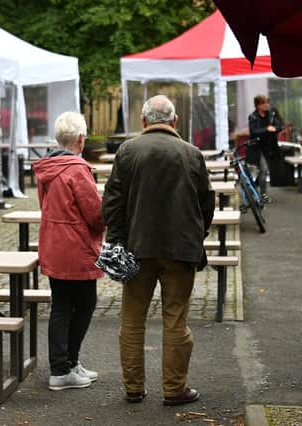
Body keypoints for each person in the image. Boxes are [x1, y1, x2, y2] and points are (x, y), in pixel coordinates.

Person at [102, 95, 215, 406]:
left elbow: (111, 204)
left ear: (143, 122)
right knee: (176, 319)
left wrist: (120, 241)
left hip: (137, 249)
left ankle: (134, 388)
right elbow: (206, 202)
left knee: (132, 320)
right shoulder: (192, 154)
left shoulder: (127, 151)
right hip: (180, 250)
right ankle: (174, 388)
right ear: (174, 121)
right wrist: (196, 235)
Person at [33, 112, 105, 391]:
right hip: (76, 247)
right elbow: (96, 215)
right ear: (81, 139)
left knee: (61, 306)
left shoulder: (47, 167)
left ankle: (65, 366)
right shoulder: (77, 169)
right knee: (85, 304)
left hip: (53, 243)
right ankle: (64, 367)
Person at [248, 95, 282, 200]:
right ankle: (263, 194)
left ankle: (257, 190)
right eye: (263, 103)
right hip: (257, 149)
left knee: (263, 171)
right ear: (258, 105)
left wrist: (274, 128)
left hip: (270, 147)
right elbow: (253, 132)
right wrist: (266, 129)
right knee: (263, 169)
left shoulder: (271, 115)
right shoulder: (253, 117)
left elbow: (278, 127)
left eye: (267, 102)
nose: (266, 105)